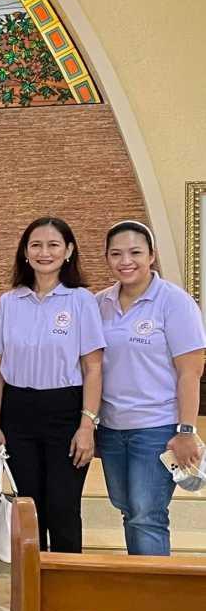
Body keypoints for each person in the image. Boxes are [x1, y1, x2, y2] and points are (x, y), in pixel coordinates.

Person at [0, 217, 104, 553]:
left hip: (65, 412)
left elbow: (93, 367)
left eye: (53, 245)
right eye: (36, 245)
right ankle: (33, 582)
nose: (44, 252)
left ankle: (68, 583)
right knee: (28, 509)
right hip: (18, 412)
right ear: (25, 252)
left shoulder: (81, 300)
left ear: (68, 251)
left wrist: (87, 426)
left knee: (63, 507)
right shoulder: (9, 302)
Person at [96, 220, 206, 556]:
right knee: (127, 507)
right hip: (112, 428)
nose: (125, 261)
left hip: (156, 428)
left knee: (147, 514)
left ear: (152, 255)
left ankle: (155, 586)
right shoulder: (100, 303)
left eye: (135, 252)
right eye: (116, 254)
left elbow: (190, 372)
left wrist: (186, 431)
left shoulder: (174, 302)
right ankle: (140, 578)